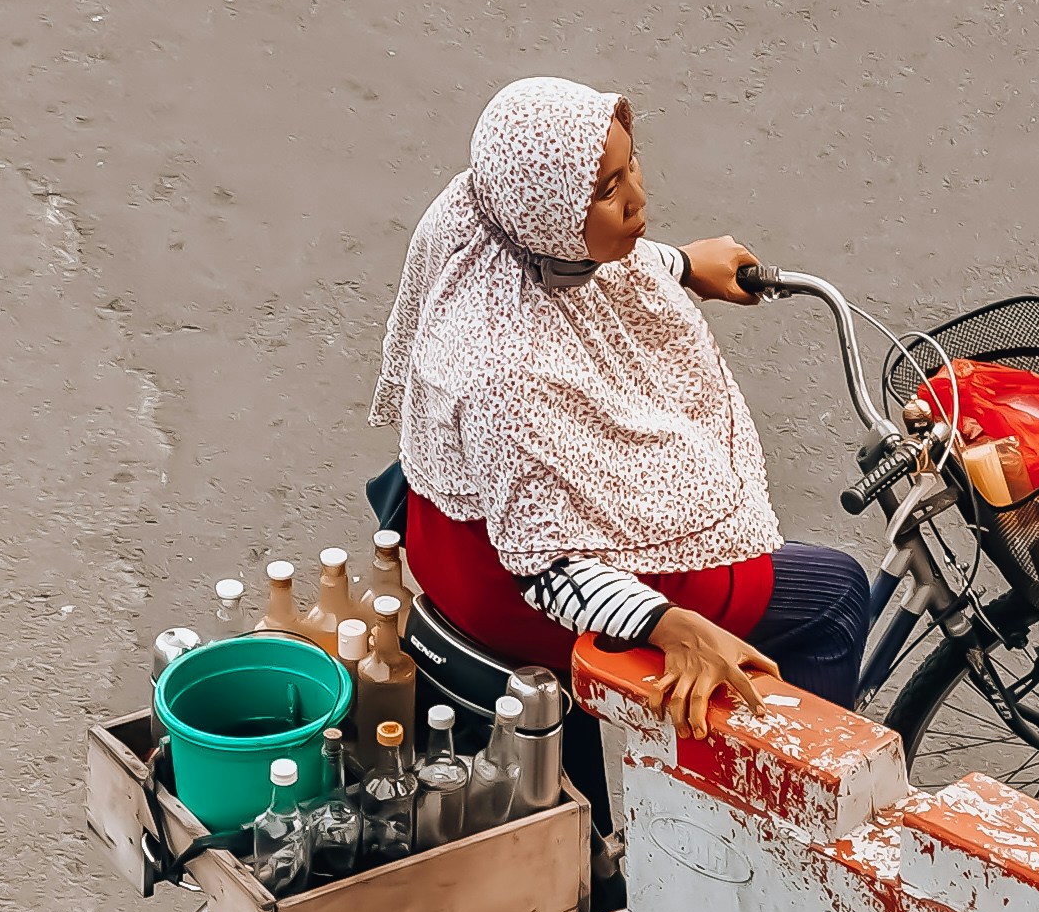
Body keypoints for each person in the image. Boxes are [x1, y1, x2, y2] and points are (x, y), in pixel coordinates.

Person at [371, 79, 874, 744]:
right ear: (546, 211)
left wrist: (684, 264)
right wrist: (674, 626)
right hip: (521, 588)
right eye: (606, 191)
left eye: (629, 165)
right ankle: (780, 823)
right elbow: (547, 569)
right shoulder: (509, 373)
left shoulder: (480, 214)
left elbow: (593, 260)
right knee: (836, 590)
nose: (638, 198)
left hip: (451, 543)